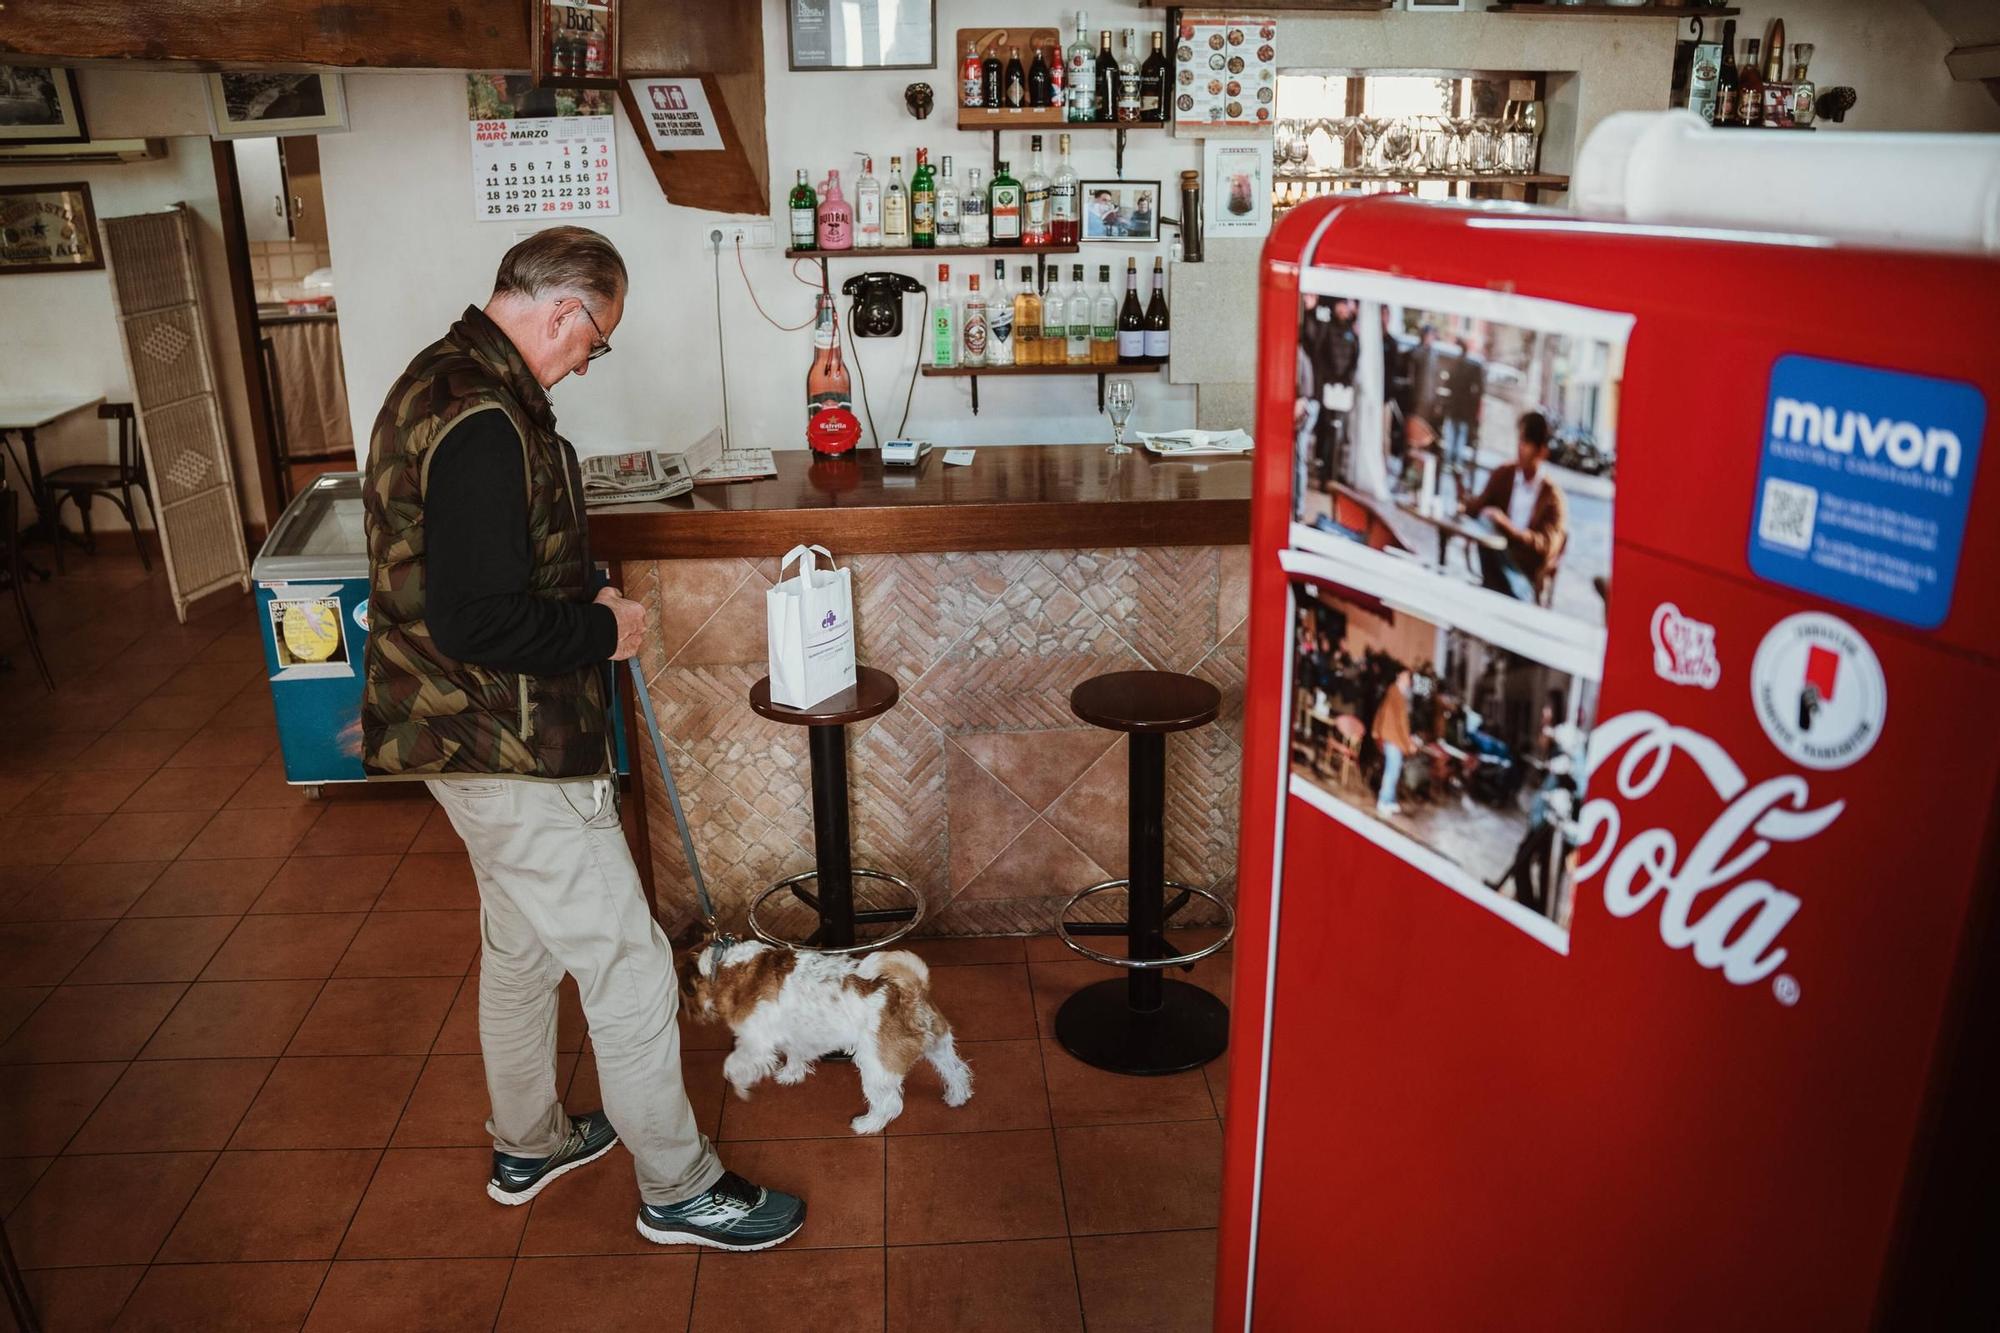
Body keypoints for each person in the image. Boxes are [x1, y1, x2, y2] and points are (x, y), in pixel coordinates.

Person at [360, 226, 805, 1252]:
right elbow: (476, 619)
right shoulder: (483, 417)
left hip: (455, 738)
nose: (584, 359)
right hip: (503, 745)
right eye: (592, 340)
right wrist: (606, 626)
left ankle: (530, 1139)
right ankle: (678, 1187)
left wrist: (580, 590)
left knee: (521, 949)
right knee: (628, 965)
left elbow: (477, 573)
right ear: (564, 310)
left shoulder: (444, 379)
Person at [1461, 409, 1568, 604]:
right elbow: (1477, 507)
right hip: (1495, 564)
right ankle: (1490, 591)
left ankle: (1492, 594)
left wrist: (1507, 526)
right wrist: (1464, 501)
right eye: (1519, 440)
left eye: (1526, 443)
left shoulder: (1552, 497)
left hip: (1522, 578)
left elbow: (1546, 546)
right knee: (1485, 524)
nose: (1520, 448)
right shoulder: (1504, 475)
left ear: (1542, 451)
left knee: (1491, 530)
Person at [1372, 669, 1413, 817]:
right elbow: (1401, 722)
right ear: (1401, 677)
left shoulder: (1393, 691)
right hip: (1393, 737)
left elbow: (1381, 712)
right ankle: (1383, 801)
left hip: (1390, 736)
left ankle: (1390, 800)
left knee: (1394, 769)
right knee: (1392, 771)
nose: (1409, 682)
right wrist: (1408, 743)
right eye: (1408, 678)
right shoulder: (1398, 695)